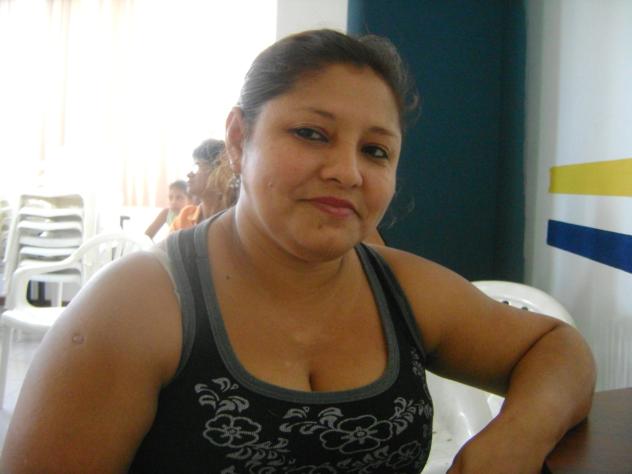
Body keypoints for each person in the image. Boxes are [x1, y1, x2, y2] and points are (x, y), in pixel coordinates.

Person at [0, 30, 595, 474]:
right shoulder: (137, 307)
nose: (347, 171)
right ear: (239, 139)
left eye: (376, 151)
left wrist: (514, 438)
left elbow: (556, 347)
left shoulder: (401, 289)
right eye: (311, 133)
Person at [170, 138, 238, 231]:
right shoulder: (185, 216)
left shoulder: (236, 219)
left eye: (197, 166)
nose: (189, 174)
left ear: (218, 172)